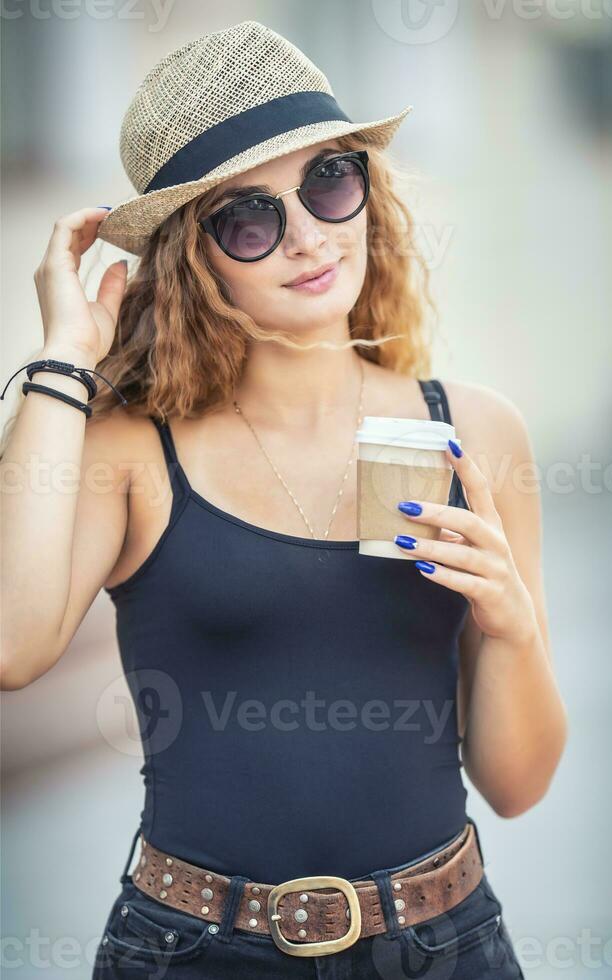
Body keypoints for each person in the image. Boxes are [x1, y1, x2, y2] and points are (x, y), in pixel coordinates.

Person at [0, 20, 567, 980]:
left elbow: (516, 787)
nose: (307, 236)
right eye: (249, 219)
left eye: (330, 180)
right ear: (195, 256)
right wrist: (64, 360)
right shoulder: (132, 448)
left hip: (447, 942)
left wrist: (510, 626)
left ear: (365, 195)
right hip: (191, 950)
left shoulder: (478, 431)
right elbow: (11, 651)